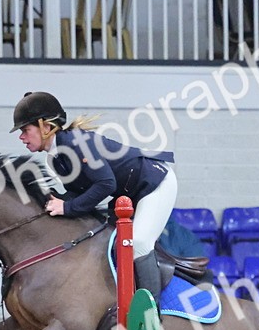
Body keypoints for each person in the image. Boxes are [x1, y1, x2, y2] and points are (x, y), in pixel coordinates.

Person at [11, 91, 177, 303]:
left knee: (138, 243)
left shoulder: (77, 143)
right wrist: (50, 203)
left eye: (25, 129)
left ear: (46, 127)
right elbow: (77, 194)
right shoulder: (55, 159)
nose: (21, 137)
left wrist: (67, 207)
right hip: (127, 194)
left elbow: (106, 184)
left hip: (155, 183)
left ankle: (150, 314)